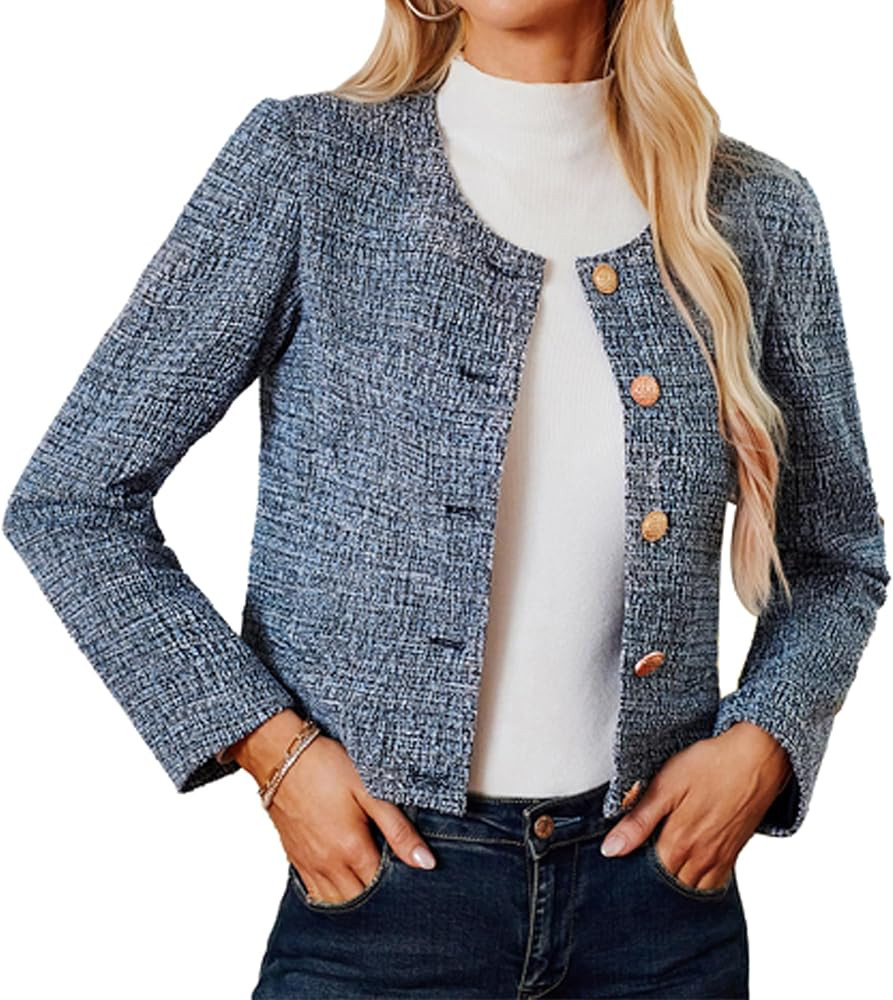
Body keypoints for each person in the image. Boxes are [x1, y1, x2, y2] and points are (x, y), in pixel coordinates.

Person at [4, 1, 888, 997]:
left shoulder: (754, 212)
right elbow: (72, 499)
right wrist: (272, 751)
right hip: (383, 899)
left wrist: (764, 742)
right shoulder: (309, 165)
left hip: (660, 914)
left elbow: (836, 555)